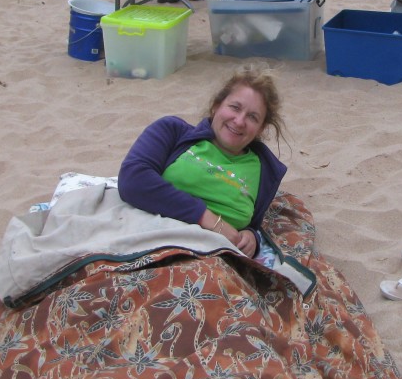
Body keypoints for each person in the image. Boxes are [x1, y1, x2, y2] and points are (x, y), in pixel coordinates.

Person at [118, 67, 289, 256]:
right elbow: (132, 180)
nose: (239, 121)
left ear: (260, 129)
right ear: (216, 106)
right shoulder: (172, 131)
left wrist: (251, 237)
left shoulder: (265, 172)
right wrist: (207, 219)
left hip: (213, 256)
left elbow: (255, 224)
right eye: (235, 107)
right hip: (150, 236)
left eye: (252, 117)